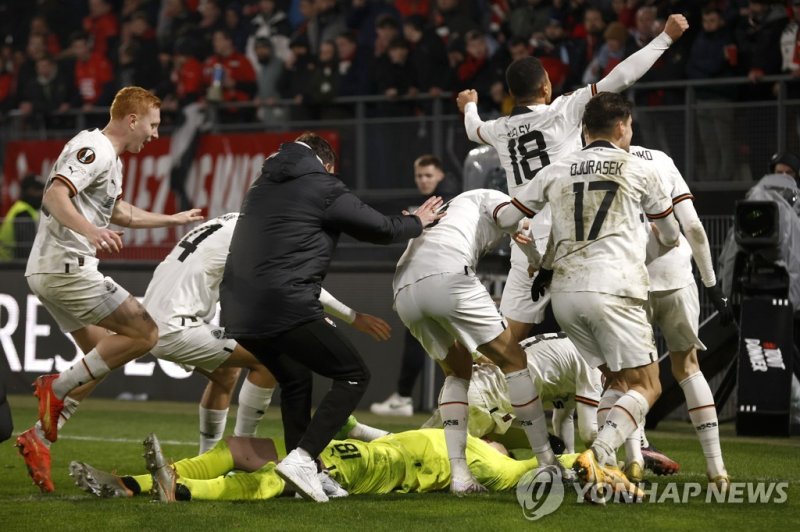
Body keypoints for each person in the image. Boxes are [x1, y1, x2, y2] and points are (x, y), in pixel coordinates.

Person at [219, 132, 444, 503]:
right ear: (328, 165)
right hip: (284, 303)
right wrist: (418, 222)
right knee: (354, 375)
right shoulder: (322, 184)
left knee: (295, 377)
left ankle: (307, 473)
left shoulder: (261, 185)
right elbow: (380, 229)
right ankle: (304, 459)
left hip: (237, 309)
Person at [16, 86, 204, 494]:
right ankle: (56, 388)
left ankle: (39, 437)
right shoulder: (94, 148)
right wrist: (92, 232)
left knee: (100, 358)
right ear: (132, 119)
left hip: (52, 271)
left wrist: (171, 219)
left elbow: (121, 212)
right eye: (152, 125)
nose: (154, 135)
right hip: (68, 270)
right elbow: (55, 195)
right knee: (145, 333)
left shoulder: (111, 161)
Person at [457, 14, 689, 343]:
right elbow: (620, 76)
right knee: (608, 346)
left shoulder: (500, 130)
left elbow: (472, 129)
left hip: (526, 243)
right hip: (575, 238)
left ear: (512, 93)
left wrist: (470, 105)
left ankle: (493, 392)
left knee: (506, 343)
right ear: (546, 87)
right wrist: (664, 38)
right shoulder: (563, 110)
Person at [494, 92, 681, 499]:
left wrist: (536, 256)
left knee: (614, 378)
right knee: (649, 385)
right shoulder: (638, 168)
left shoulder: (556, 168)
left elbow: (508, 217)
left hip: (564, 295)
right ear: (621, 127)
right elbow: (669, 235)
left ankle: (608, 474)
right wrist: (637, 245)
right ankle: (598, 452)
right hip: (613, 288)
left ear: (582, 129)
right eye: (629, 127)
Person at [143, 211, 392, 453]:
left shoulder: (232, 220)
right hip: (177, 326)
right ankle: (244, 446)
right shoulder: (257, 235)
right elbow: (288, 283)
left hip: (152, 320)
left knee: (226, 371)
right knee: (272, 361)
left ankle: (208, 456)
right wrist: (348, 316)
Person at [393, 187, 563, 495]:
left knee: (457, 371)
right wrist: (538, 257)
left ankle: (460, 474)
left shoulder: (454, 208)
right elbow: (510, 217)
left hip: (403, 289)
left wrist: (527, 247)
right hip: (447, 276)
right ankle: (547, 462)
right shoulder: (490, 196)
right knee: (514, 361)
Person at [68, 428, 584, 502]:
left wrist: (589, 459)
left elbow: (541, 468)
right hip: (353, 448)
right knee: (248, 446)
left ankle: (178, 491)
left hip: (371, 470)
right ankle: (133, 484)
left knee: (272, 480)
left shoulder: (492, 464)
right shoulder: (459, 433)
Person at [623, 144, 731, 488]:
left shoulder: (591, 163)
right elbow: (695, 229)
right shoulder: (661, 160)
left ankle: (635, 460)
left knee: (632, 378)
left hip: (630, 281)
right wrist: (713, 285)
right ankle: (717, 469)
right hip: (677, 278)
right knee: (688, 367)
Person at [371, 154, 459, 417]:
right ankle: (408, 397)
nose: (423, 180)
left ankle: (419, 397)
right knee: (422, 337)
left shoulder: (451, 200)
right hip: (429, 278)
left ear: (440, 176)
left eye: (429, 175)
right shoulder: (423, 203)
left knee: (454, 340)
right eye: (420, 175)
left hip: (444, 277)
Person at [423, 332, 602, 454]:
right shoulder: (594, 361)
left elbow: (563, 417)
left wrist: (568, 459)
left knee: (421, 443)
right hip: (489, 401)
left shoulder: (571, 345)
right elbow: (590, 433)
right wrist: (606, 461)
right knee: (449, 456)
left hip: (472, 388)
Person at [0, 174, 45, 261]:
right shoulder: (23, 212)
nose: (41, 193)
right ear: (27, 190)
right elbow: (26, 251)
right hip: (9, 266)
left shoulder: (23, 208)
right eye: (36, 190)